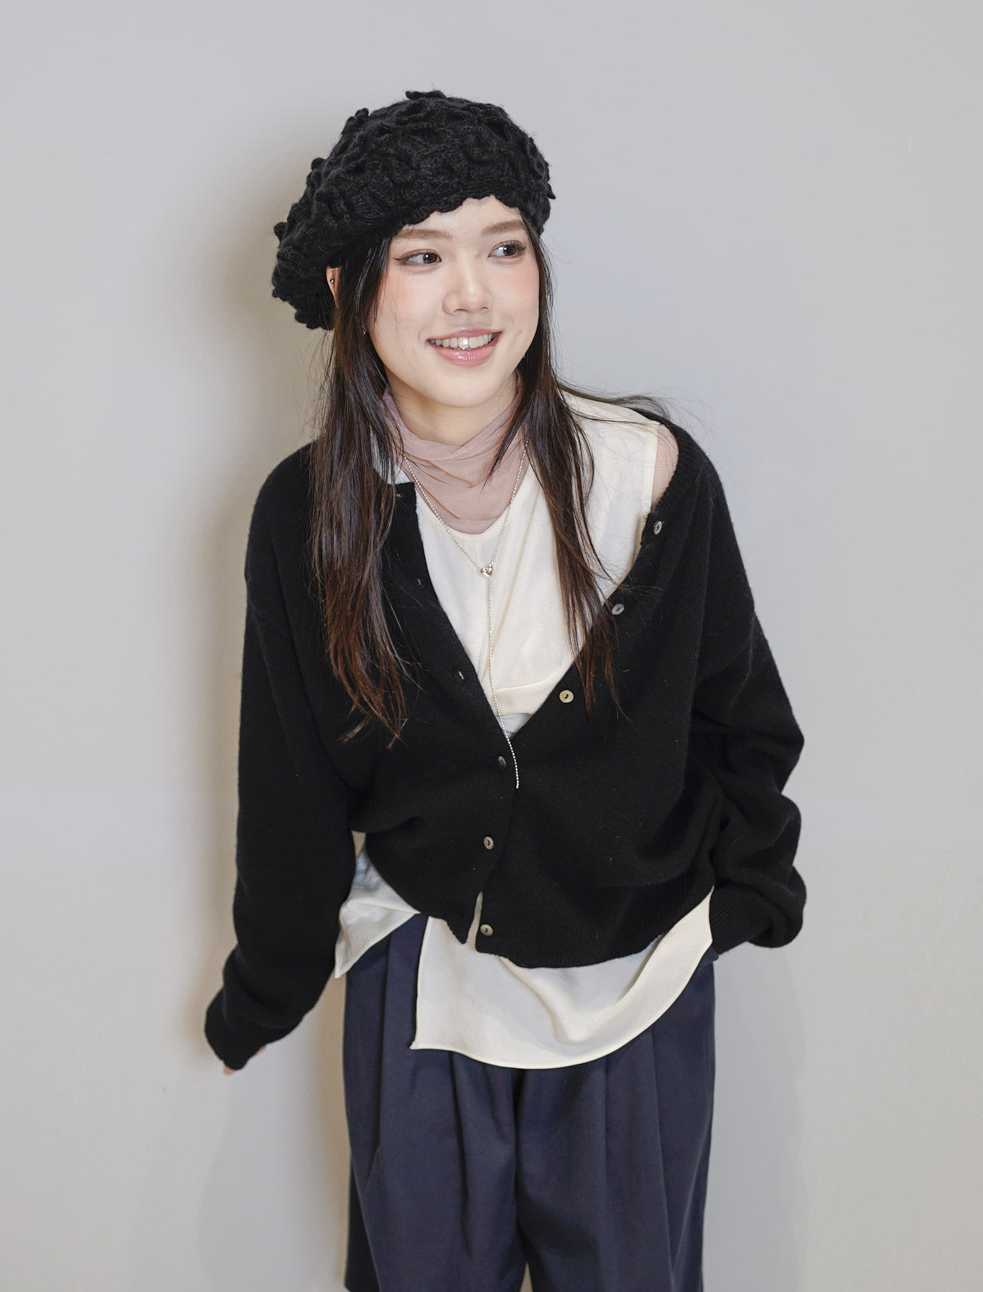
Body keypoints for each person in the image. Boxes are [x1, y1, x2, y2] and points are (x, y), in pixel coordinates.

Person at [203, 88, 806, 1292]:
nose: (471, 295)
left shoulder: (646, 476)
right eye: (423, 256)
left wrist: (747, 895)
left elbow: (739, 715)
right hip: (425, 982)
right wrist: (266, 986)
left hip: (632, 991)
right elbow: (289, 784)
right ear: (348, 287)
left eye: (504, 247)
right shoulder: (310, 513)